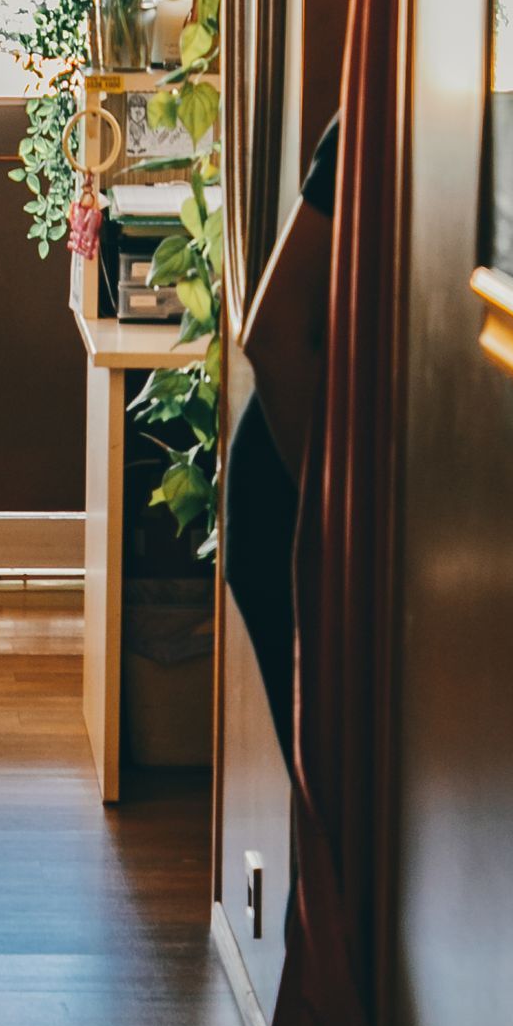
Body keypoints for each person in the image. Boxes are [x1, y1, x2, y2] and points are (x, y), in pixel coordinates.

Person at [221, 116, 338, 764]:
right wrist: (330, 511)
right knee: (329, 772)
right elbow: (273, 334)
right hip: (283, 505)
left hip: (293, 492)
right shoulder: (367, 123)